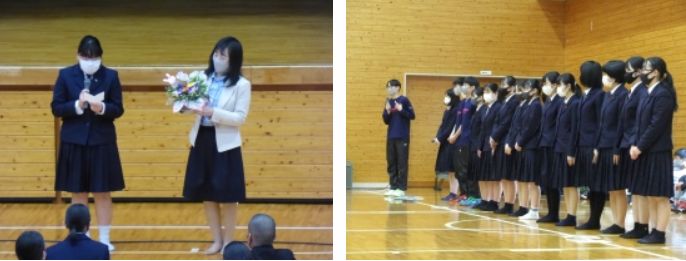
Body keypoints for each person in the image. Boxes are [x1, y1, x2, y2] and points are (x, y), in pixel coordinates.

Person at [50, 35, 125, 251]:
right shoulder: (65, 75)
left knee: (102, 192)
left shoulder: (111, 76)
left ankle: (104, 238)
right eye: (86, 57)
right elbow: (56, 107)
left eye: (95, 57)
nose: (90, 61)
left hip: (101, 141)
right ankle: (83, 237)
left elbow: (118, 109)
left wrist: (100, 108)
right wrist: (77, 104)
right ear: (78, 56)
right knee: (78, 192)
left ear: (101, 57)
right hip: (74, 141)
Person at [182, 36, 251, 254]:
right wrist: (183, 103)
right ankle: (217, 240)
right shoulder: (200, 77)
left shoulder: (242, 85)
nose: (218, 58)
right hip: (202, 139)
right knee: (207, 193)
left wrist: (214, 113)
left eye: (223, 55)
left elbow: (240, 117)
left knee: (228, 195)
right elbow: (185, 105)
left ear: (234, 60)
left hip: (226, 145)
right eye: (216, 53)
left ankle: (229, 242)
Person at [630, 57, 677, 244]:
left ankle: (660, 232)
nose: (642, 72)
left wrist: (640, 146)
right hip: (645, 150)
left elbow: (656, 125)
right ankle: (652, 230)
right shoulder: (647, 93)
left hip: (658, 150)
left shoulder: (663, 93)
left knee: (660, 195)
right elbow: (639, 123)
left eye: (646, 69)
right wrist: (635, 144)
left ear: (655, 72)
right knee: (650, 193)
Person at [592, 60, 629, 234]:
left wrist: (616, 149)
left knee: (618, 187)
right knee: (611, 188)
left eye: (606, 74)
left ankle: (620, 223)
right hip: (603, 145)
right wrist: (597, 146)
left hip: (614, 147)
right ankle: (616, 222)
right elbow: (601, 124)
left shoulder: (623, 95)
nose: (603, 78)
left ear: (613, 77)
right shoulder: (608, 95)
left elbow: (621, 125)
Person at [617, 56, 649, 239]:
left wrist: (634, 142)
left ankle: (642, 225)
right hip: (628, 144)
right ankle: (638, 224)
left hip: (636, 144)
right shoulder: (632, 91)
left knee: (640, 189)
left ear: (638, 72)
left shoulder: (643, 92)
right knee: (634, 189)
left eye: (629, 69)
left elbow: (639, 122)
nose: (626, 73)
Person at [575, 61, 607, 230]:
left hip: (592, 145)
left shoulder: (599, 95)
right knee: (588, 183)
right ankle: (592, 219)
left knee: (596, 183)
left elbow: (601, 123)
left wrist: (597, 146)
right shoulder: (585, 95)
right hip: (582, 144)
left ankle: (595, 219)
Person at [552, 73, 582, 227]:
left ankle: (572, 214)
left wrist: (571, 151)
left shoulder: (576, 103)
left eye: (559, 85)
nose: (557, 88)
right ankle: (569, 214)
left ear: (568, 86)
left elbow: (574, 130)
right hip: (559, 147)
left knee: (571, 183)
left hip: (568, 148)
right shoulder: (564, 102)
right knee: (565, 184)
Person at [448, 77, 481, 206]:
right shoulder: (462, 103)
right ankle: (464, 193)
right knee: (459, 170)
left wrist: (455, 136)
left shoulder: (473, 103)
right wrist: (452, 136)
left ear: (472, 87)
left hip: (467, 140)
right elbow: (458, 122)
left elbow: (466, 124)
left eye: (466, 85)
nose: (463, 87)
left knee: (468, 169)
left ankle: (474, 194)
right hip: (458, 141)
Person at [537, 71, 563, 223]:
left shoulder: (559, 101)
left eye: (546, 83)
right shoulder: (548, 101)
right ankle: (551, 212)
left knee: (553, 180)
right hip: (544, 143)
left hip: (553, 144)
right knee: (546, 179)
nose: (544, 87)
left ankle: (555, 213)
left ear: (554, 84)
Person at [515, 79, 543, 220]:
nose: (524, 91)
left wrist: (520, 141)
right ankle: (528, 208)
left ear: (534, 90)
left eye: (527, 88)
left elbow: (530, 127)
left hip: (532, 146)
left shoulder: (536, 105)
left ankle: (535, 209)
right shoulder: (529, 105)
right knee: (526, 180)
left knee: (532, 181)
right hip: (526, 146)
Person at [383, 79, 416, 198]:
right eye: (388, 87)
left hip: (402, 137)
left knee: (402, 163)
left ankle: (401, 188)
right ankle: (393, 186)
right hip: (391, 136)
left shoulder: (404, 100)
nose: (389, 89)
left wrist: (401, 110)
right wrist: (387, 112)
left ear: (397, 87)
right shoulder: (388, 102)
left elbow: (412, 116)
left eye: (391, 86)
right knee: (391, 162)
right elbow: (386, 121)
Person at [491, 77, 519, 214]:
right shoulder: (503, 102)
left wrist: (496, 136)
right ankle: (506, 203)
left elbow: (507, 123)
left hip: (507, 141)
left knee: (509, 175)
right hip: (499, 141)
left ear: (512, 88)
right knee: (503, 175)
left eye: (504, 85)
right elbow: (497, 121)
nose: (501, 87)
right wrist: (493, 137)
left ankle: (510, 203)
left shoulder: (514, 102)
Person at [475, 83, 502, 211]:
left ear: (496, 93)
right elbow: (482, 128)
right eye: (485, 91)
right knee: (483, 175)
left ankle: (494, 201)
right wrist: (479, 146)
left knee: (493, 177)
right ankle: (485, 199)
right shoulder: (484, 109)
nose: (486, 94)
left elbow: (498, 127)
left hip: (493, 145)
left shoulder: (499, 107)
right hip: (484, 145)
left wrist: (495, 142)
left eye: (489, 91)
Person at [506, 81, 529, 217]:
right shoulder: (520, 106)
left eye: (521, 91)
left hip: (521, 146)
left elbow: (524, 128)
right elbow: (513, 127)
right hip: (513, 144)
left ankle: (525, 206)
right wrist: (509, 142)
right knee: (519, 178)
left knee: (525, 180)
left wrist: (517, 142)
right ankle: (521, 205)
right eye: (517, 91)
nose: (518, 94)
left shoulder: (529, 106)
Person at [441, 78, 464, 200]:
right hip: (451, 140)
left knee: (457, 170)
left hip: (460, 141)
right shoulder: (458, 106)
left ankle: (462, 193)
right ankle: (453, 192)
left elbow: (461, 124)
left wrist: (454, 136)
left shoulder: (460, 106)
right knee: (450, 169)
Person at [435, 88, 460, 199]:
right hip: (445, 142)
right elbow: (443, 125)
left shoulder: (456, 110)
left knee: (454, 169)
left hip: (452, 142)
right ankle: (452, 192)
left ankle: (455, 193)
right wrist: (438, 137)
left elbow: (450, 127)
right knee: (449, 170)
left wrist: (441, 138)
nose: (446, 98)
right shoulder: (447, 110)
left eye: (448, 96)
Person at [466, 87, 486, 208]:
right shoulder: (476, 110)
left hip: (479, 144)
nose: (472, 99)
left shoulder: (483, 109)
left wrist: (480, 145)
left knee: (478, 172)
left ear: (480, 97)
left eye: (474, 96)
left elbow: (482, 129)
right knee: (472, 172)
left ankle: (478, 196)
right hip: (472, 144)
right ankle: (473, 195)